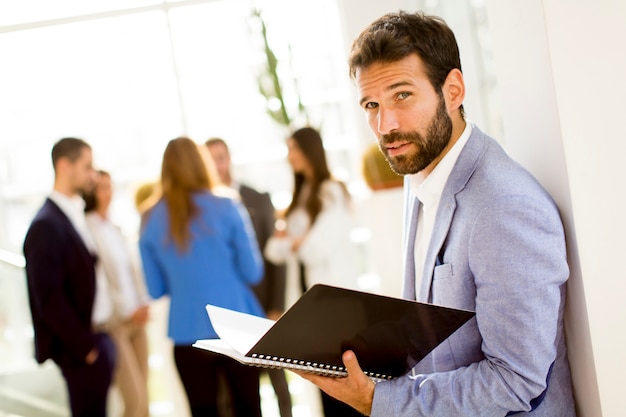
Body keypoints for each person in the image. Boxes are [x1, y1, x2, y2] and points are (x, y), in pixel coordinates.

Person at [297, 11, 576, 416]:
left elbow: (516, 380)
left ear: (454, 90)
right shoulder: (421, 174)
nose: (384, 124)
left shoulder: (505, 207)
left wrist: (381, 401)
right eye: (371, 104)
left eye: (402, 95)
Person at [138, 136, 265, 417]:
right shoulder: (227, 205)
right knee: (249, 410)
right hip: (236, 327)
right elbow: (252, 272)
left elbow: (155, 289)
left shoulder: (149, 218)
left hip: (187, 332)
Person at [263, 127, 360, 417]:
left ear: (310, 151)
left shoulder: (332, 190)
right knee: (323, 381)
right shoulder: (299, 196)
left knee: (344, 381)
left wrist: (293, 241)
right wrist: (299, 239)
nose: (290, 156)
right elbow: (273, 250)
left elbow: (316, 248)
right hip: (309, 303)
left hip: (335, 303)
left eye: (294, 148)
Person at [23, 137, 116, 417]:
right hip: (81, 351)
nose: (93, 175)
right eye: (87, 166)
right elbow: (48, 297)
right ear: (65, 166)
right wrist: (85, 347)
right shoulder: (45, 224)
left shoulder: (74, 213)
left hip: (98, 339)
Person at [206, 137, 293, 417]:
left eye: (220, 157)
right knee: (234, 391)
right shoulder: (203, 209)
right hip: (227, 312)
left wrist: (276, 305)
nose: (217, 165)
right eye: (209, 160)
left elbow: (275, 258)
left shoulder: (257, 198)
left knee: (278, 381)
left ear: (228, 158)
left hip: (263, 305)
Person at [83, 170, 151, 417]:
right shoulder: (86, 230)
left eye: (110, 187)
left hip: (138, 320)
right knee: (134, 400)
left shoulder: (115, 227)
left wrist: (143, 302)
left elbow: (132, 272)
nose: (107, 193)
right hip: (115, 324)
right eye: (101, 188)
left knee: (145, 402)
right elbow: (101, 284)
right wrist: (128, 309)